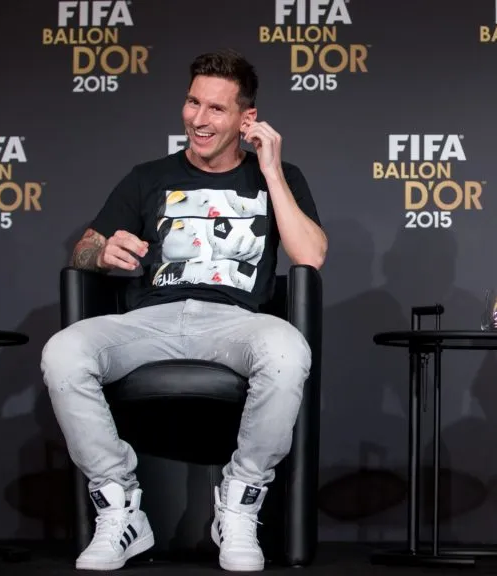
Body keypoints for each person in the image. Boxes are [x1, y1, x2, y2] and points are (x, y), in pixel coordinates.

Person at [41, 49, 326, 572]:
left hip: (237, 323)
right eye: (194, 103)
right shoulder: (147, 177)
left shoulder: (278, 177)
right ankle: (119, 506)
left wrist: (272, 170)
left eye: (217, 109)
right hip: (153, 320)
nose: (199, 119)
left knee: (287, 350)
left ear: (247, 118)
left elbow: (310, 255)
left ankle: (239, 503)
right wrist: (99, 253)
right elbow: (83, 248)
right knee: (63, 351)